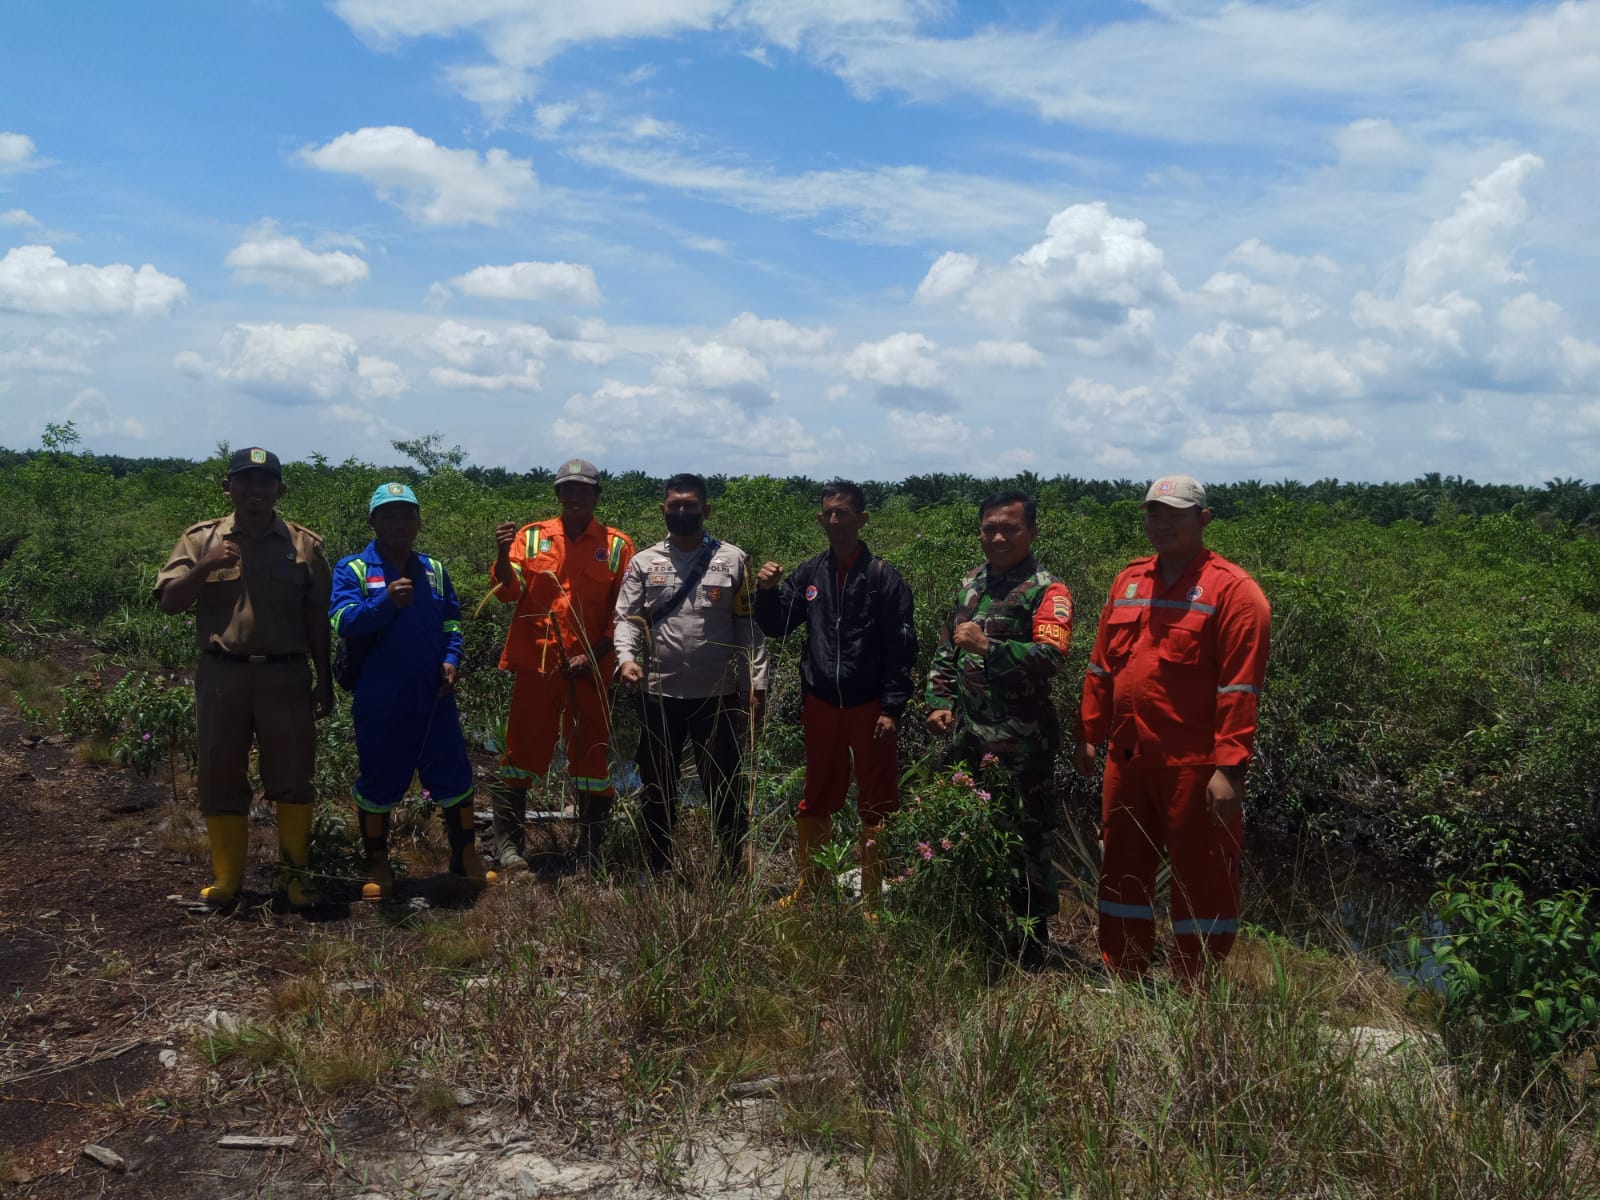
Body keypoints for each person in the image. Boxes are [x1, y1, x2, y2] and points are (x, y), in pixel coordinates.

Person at [1073, 474, 1271, 982]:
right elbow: (1101, 666)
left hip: (1195, 765)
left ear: (1203, 520)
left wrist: (1229, 768)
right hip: (1128, 759)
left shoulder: (1235, 591)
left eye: (1176, 515)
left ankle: (1195, 987)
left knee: (1202, 878)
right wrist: (1090, 733)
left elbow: (1239, 690)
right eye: (1153, 515)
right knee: (1120, 870)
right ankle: (1125, 975)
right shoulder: (1129, 579)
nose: (1161, 525)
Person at [155, 447, 332, 908]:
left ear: (280, 490)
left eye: (265, 482)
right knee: (220, 773)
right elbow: (171, 601)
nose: (255, 491)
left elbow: (317, 619)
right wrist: (206, 566)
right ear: (228, 486)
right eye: (245, 481)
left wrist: (325, 679)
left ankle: (295, 878)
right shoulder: (200, 540)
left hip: (286, 676)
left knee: (294, 775)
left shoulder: (304, 545)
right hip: (222, 675)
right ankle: (227, 881)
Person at [925, 490, 1073, 965]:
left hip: (1022, 746)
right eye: (990, 527)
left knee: (1028, 841)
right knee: (971, 832)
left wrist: (990, 648)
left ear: (1031, 532)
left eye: (1009, 527)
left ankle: (1032, 945)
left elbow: (1050, 659)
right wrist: (938, 700)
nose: (998, 536)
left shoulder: (1047, 590)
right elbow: (948, 648)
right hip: (969, 739)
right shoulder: (971, 582)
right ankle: (979, 928)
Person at [754, 480, 916, 910]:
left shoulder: (883, 578)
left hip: (869, 708)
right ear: (819, 518)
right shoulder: (810, 573)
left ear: (862, 519)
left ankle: (871, 901)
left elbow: (902, 650)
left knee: (877, 800)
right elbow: (778, 624)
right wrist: (766, 592)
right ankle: (813, 888)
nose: (834, 520)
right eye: (827, 513)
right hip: (823, 705)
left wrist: (892, 707)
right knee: (817, 794)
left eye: (843, 513)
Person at [330, 483, 493, 901]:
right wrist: (385, 603)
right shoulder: (354, 570)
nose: (399, 524)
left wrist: (452, 660)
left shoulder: (434, 569)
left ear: (418, 522)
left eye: (407, 515)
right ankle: (378, 863)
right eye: (389, 515)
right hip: (381, 698)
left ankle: (465, 857)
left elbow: (452, 623)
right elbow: (343, 623)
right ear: (373, 521)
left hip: (435, 697)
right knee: (380, 778)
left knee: (454, 776)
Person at [613, 473, 767, 879]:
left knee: (725, 786)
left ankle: (732, 867)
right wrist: (626, 658)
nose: (682, 512)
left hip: (715, 697)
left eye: (690, 505)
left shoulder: (733, 559)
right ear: (663, 510)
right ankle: (658, 864)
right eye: (675, 505)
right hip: (658, 695)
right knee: (657, 785)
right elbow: (626, 620)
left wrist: (756, 681)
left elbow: (748, 628)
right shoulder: (644, 562)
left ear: (706, 510)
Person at [488, 459, 634, 873]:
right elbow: (506, 591)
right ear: (557, 495)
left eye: (582, 490)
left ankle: (590, 849)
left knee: (591, 761)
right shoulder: (531, 537)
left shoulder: (618, 545)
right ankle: (510, 847)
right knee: (519, 755)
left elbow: (625, 611)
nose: (573, 497)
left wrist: (593, 654)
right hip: (536, 668)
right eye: (566, 490)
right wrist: (501, 552)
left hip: (590, 670)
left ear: (596, 496)